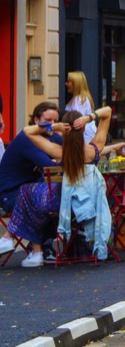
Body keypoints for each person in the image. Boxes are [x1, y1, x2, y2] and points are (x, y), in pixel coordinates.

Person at [14, 106, 113, 266]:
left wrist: (53, 126)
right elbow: (107, 111)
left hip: (64, 205)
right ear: (83, 129)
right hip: (91, 203)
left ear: (64, 130)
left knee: (26, 191)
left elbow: (27, 131)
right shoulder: (94, 149)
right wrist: (89, 118)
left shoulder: (59, 152)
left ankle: (34, 247)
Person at [0, 103, 62, 264]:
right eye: (48, 120)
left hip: (28, 189)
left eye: (56, 121)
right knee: (42, 199)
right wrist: (57, 160)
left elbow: (74, 150)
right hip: (10, 194)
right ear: (36, 120)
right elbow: (50, 168)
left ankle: (31, 248)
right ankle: (37, 250)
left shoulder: (51, 136)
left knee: (53, 198)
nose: (53, 125)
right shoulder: (26, 139)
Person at [65, 70, 98, 144]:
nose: (66, 84)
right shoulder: (84, 98)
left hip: (83, 137)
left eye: (68, 81)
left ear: (75, 83)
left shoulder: (79, 99)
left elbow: (77, 121)